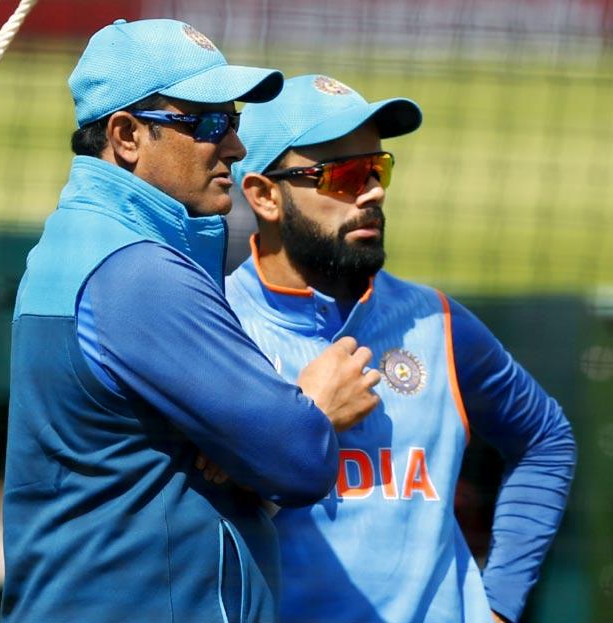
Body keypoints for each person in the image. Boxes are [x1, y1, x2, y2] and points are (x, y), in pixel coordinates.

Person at [0, 22, 382, 623]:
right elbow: (298, 456)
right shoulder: (139, 273)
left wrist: (246, 441)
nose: (232, 145)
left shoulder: (82, 240)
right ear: (127, 137)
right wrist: (313, 404)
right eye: (206, 124)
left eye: (231, 121)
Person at [225, 74, 577, 623]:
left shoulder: (436, 322)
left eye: (377, 168)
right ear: (265, 196)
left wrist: (499, 604)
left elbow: (546, 439)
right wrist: (305, 426)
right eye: (343, 176)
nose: (372, 192)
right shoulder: (215, 327)